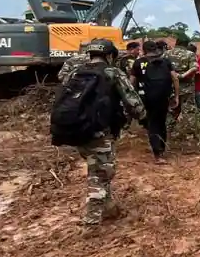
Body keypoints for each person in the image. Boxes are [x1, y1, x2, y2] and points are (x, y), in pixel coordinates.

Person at [49, 38, 146, 228]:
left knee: (100, 169)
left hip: (76, 130)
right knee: (100, 175)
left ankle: (110, 209)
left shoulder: (75, 72)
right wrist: (142, 116)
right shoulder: (112, 72)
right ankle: (91, 223)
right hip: (99, 132)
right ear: (109, 55)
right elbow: (133, 102)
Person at [135, 40, 179, 161]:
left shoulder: (138, 62)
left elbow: (132, 81)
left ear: (144, 50)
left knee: (152, 123)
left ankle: (157, 152)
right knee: (161, 121)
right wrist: (176, 96)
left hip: (146, 97)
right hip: (163, 96)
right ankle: (162, 148)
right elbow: (175, 78)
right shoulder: (165, 61)